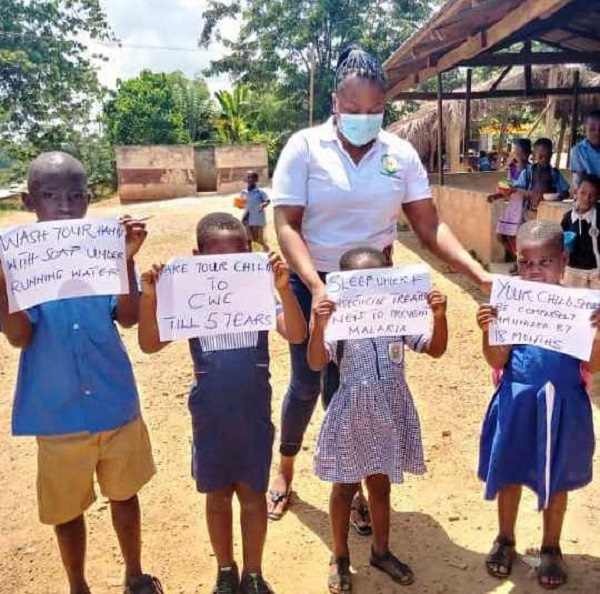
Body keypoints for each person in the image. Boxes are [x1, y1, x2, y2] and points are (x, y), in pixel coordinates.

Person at [268, 43, 491, 525]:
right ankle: (284, 468)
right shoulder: (304, 148)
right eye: (353, 110)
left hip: (373, 289)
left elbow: (430, 226)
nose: (364, 118)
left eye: (375, 110)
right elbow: (286, 223)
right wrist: (315, 284)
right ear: (335, 102)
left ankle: (351, 483)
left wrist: (480, 275)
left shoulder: (400, 154)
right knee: (307, 382)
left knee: (354, 385)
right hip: (317, 280)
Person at [0, 152, 162, 594]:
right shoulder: (19, 260)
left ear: (89, 200)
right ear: (29, 201)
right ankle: (78, 585)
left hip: (115, 404)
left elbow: (127, 317)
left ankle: (134, 573)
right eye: (51, 196)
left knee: (125, 495)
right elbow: (19, 337)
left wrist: (126, 260)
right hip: (57, 415)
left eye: (75, 196)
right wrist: (3, 285)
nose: (65, 206)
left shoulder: (101, 250)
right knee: (66, 511)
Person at [137, 213, 306, 594]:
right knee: (217, 497)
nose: (229, 268)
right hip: (210, 413)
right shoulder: (189, 297)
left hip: (253, 411)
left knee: (252, 495)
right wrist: (150, 298)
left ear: (250, 253)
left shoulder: (261, 293)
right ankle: (226, 572)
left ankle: (254, 573)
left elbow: (296, 332)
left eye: (239, 257)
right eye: (217, 260)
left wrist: (283, 289)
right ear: (198, 258)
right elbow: (149, 343)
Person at [307, 246, 448, 592]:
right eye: (358, 284)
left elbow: (434, 348)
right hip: (352, 411)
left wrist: (439, 316)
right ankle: (339, 556)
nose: (369, 292)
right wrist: (319, 324)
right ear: (341, 285)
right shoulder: (337, 322)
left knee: (381, 485)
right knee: (345, 486)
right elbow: (314, 362)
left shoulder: (398, 317)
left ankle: (381, 552)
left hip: (390, 409)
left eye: (376, 281)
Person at [477, 220, 599, 590]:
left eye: (546, 262)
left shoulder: (580, 310)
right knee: (510, 476)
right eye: (527, 263)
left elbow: (593, 366)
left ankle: (551, 546)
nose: (536, 270)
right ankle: (505, 539)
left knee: (557, 480)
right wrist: (488, 330)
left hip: (565, 406)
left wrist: (598, 334)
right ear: (517, 261)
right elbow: (497, 361)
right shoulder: (511, 305)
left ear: (563, 261)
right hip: (516, 403)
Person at [488, 138, 533, 268]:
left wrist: (515, 190)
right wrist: (496, 196)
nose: (512, 153)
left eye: (515, 151)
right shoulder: (512, 168)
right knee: (501, 236)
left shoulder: (530, 170)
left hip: (522, 208)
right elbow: (508, 188)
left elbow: (528, 190)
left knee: (516, 238)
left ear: (524, 154)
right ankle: (519, 260)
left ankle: (520, 263)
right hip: (512, 206)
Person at [514, 138, 570, 218]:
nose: (544, 160)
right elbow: (516, 190)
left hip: (549, 212)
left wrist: (557, 196)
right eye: (541, 157)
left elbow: (566, 192)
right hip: (530, 212)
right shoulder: (527, 173)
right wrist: (530, 194)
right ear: (533, 155)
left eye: (547, 157)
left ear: (551, 155)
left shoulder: (555, 173)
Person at [561, 173, 600, 289]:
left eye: (592, 195)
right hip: (573, 272)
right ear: (575, 192)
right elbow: (561, 242)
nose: (587, 198)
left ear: (598, 197)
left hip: (596, 273)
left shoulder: (599, 216)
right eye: (583, 193)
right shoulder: (568, 218)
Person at [242, 171, 270, 251]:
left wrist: (263, 205)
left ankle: (266, 252)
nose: (249, 179)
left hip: (257, 219)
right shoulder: (243, 192)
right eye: (248, 177)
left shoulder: (260, 192)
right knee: (248, 239)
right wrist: (239, 203)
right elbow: (241, 204)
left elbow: (267, 201)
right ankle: (250, 255)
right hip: (246, 218)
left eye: (251, 177)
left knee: (258, 239)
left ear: (256, 180)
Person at [571, 110, 600, 188]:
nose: (597, 133)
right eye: (592, 129)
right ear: (585, 129)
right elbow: (581, 179)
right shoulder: (577, 151)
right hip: (587, 192)